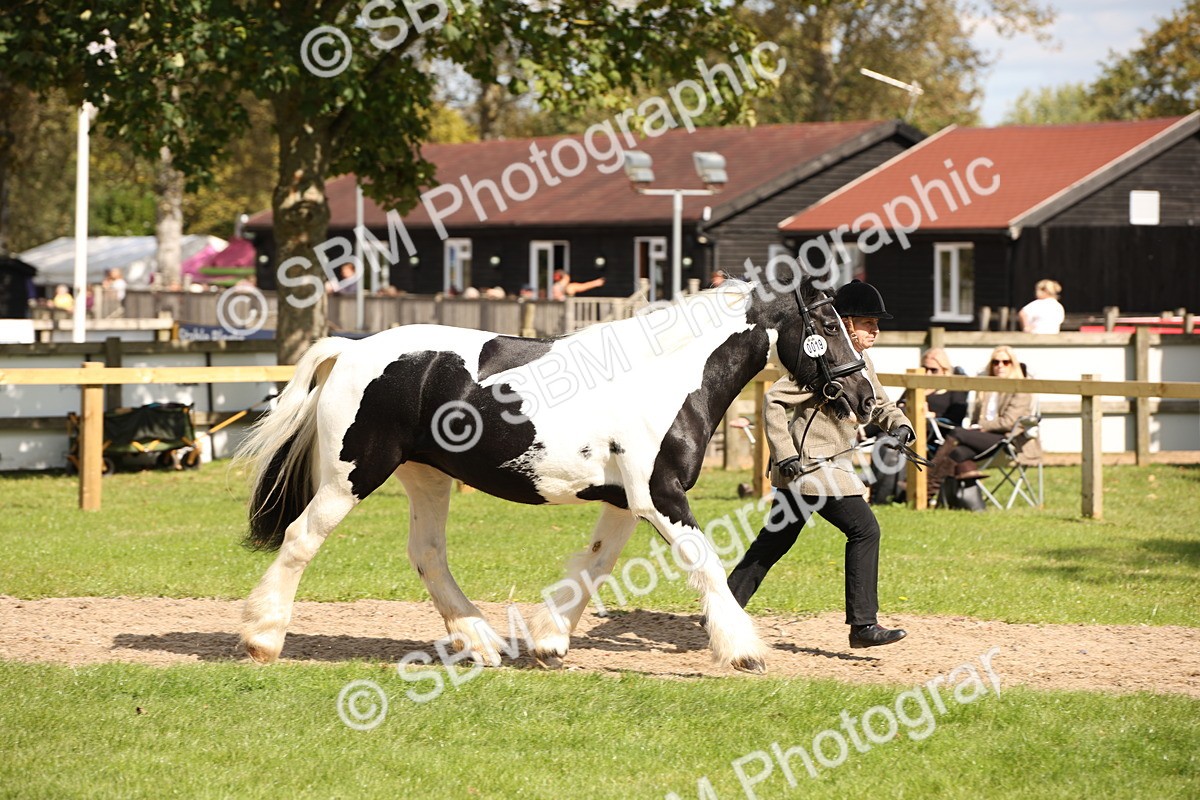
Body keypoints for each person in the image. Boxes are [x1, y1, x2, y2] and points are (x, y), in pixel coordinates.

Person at [726, 280, 913, 650]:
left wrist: (901, 425)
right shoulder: (819, 359)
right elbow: (774, 402)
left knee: (774, 541)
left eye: (878, 323)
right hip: (812, 468)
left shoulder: (860, 362)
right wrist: (786, 455)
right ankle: (863, 625)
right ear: (844, 323)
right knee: (864, 530)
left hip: (822, 467)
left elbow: (876, 403)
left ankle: (724, 606)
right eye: (868, 322)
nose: (876, 329)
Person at [926, 345, 1042, 506]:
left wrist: (980, 426)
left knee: (957, 433)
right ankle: (938, 498)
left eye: (1005, 362)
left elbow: (1009, 422)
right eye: (995, 362)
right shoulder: (987, 387)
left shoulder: (1020, 388)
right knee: (958, 453)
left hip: (1007, 439)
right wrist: (977, 426)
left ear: (1013, 365)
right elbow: (975, 417)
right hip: (982, 436)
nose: (1000, 366)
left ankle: (925, 487)